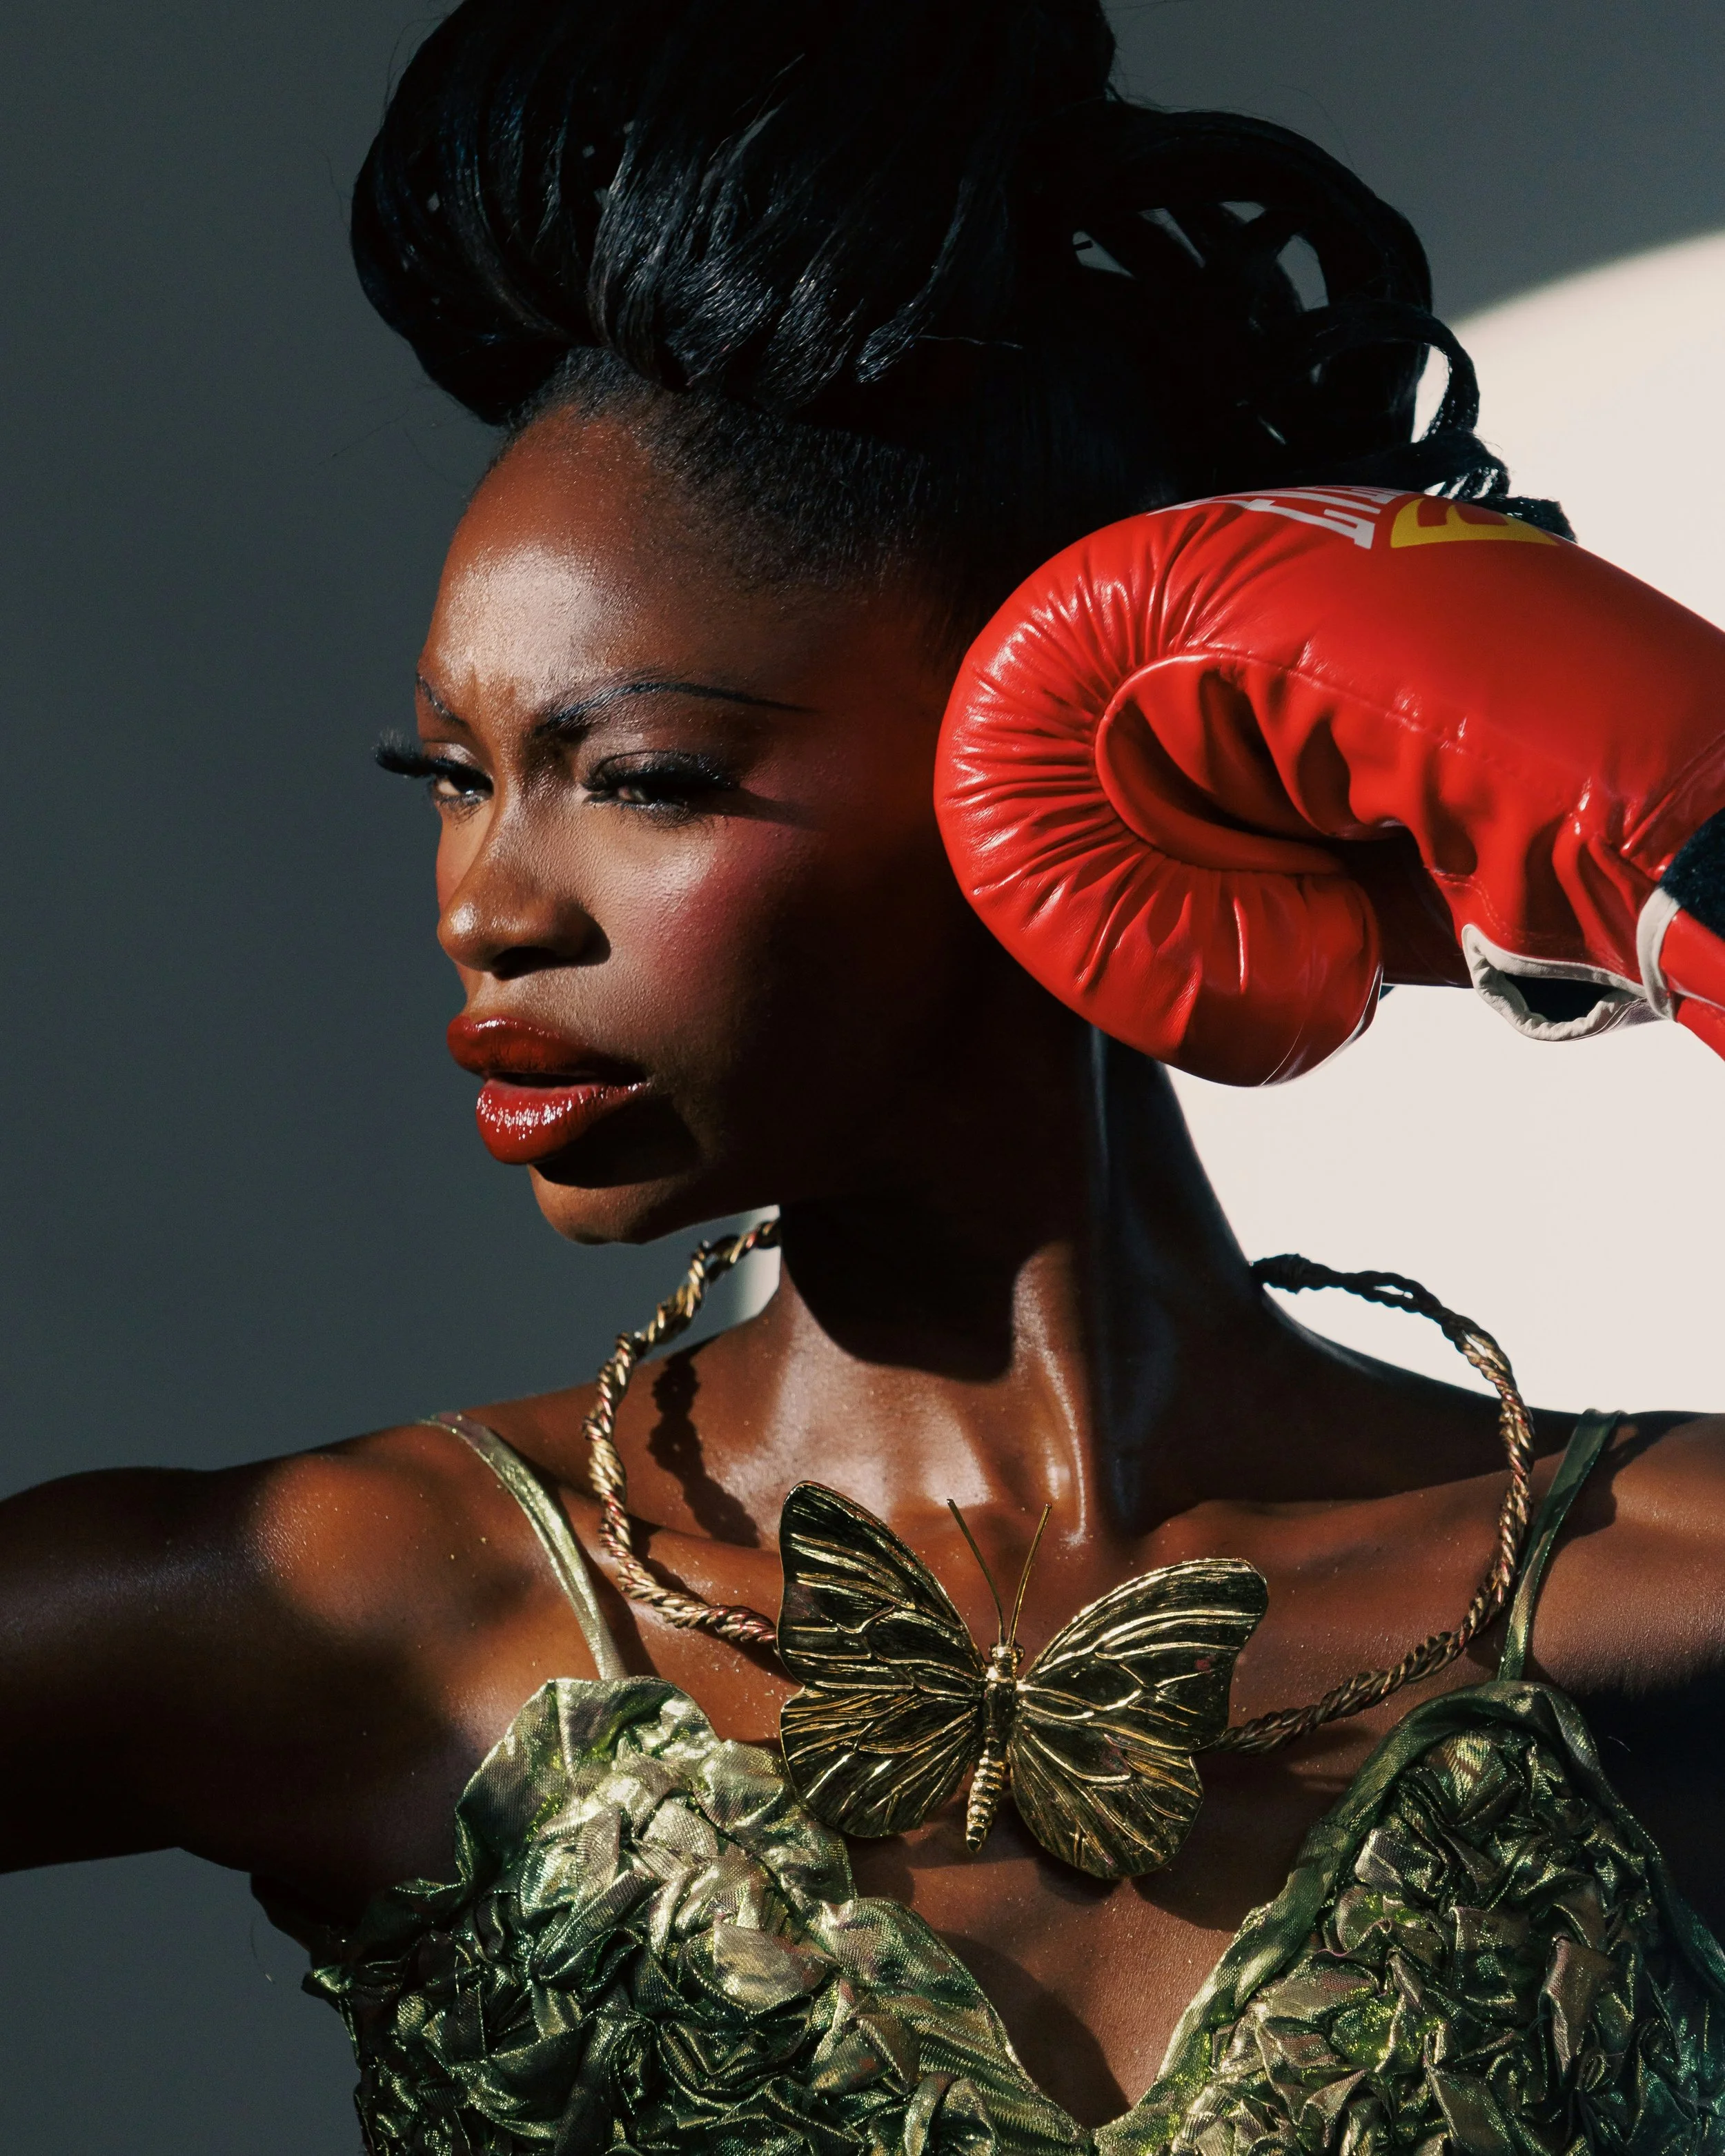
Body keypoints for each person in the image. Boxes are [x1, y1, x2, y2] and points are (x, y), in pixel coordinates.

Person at [6, 1, 1725, 2148]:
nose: (485, 902)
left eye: (638, 775)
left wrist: (1707, 857)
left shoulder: (1649, 1591)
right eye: (450, 777)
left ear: (1098, 767)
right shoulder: (352, 1601)